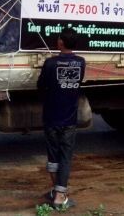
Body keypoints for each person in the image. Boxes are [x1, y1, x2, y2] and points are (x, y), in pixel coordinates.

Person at [37, 27, 86, 210]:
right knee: (65, 157)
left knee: (53, 157)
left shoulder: (50, 63)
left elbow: (41, 87)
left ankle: (57, 194)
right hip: (69, 119)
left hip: (51, 117)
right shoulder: (81, 63)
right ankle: (59, 194)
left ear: (60, 43)